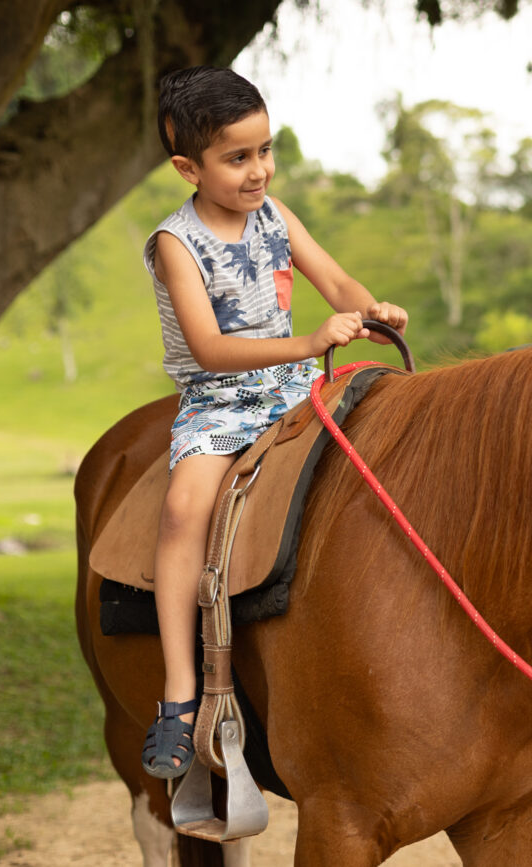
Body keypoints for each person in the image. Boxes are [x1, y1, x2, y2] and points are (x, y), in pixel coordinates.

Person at [139, 66, 408, 779]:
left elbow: (337, 280)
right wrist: (313, 342)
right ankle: (177, 693)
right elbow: (210, 348)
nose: (258, 171)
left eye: (266, 150)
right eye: (238, 158)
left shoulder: (276, 214)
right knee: (182, 509)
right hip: (220, 402)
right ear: (186, 167)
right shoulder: (176, 243)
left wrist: (371, 309)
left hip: (292, 387)